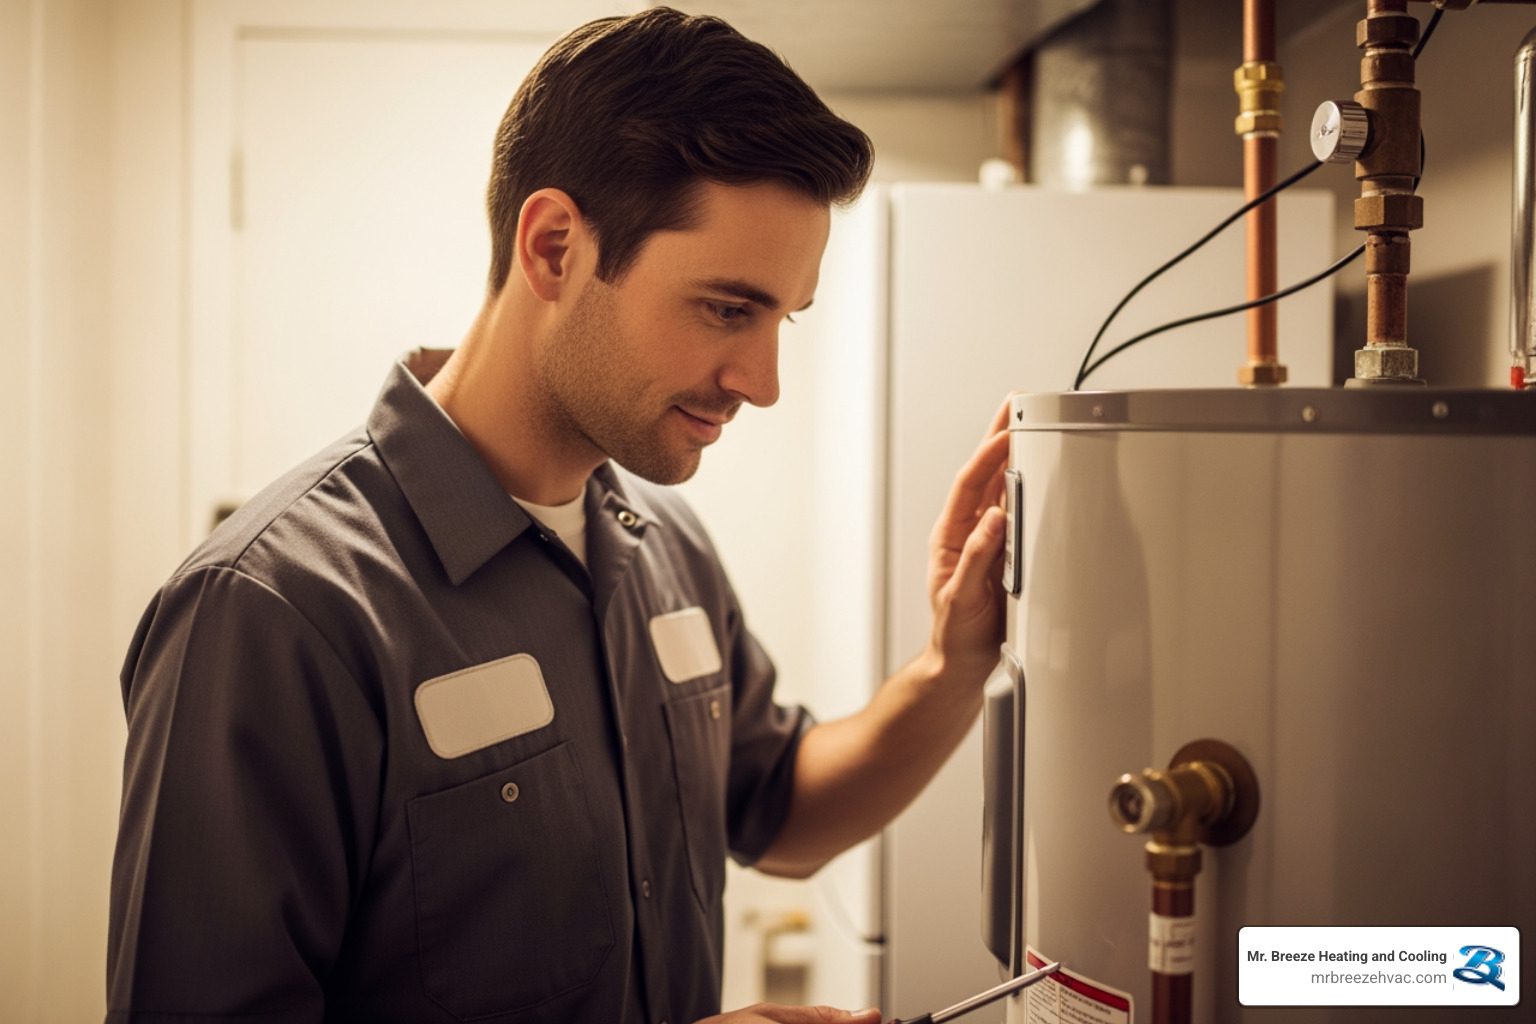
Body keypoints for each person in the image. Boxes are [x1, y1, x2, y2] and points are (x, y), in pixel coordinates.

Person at [107, 8, 1010, 1024]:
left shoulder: (663, 547)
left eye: (779, 319)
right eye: (726, 308)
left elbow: (781, 812)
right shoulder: (275, 609)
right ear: (553, 248)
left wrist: (954, 662)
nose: (763, 383)